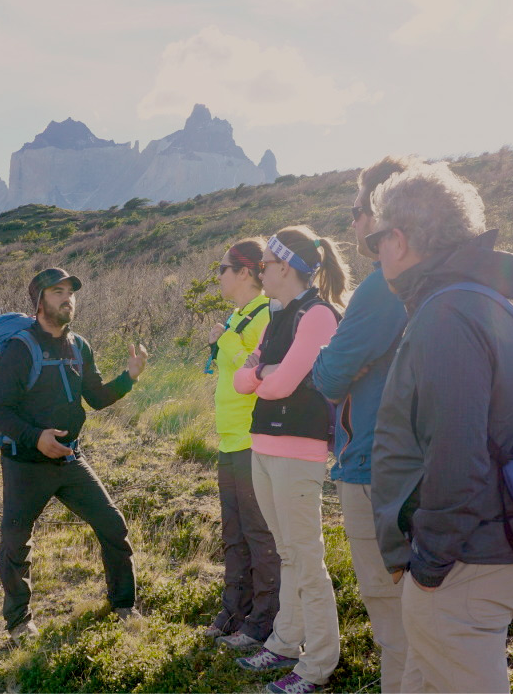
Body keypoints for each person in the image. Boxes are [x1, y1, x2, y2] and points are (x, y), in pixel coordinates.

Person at [368, 163, 513, 693]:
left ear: (399, 240)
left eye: (378, 239)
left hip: (463, 562)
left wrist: (428, 564)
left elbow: (457, 455)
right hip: (482, 546)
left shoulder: (446, 314)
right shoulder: (474, 301)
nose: (377, 253)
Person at [0, 267, 149, 643]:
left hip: (70, 461)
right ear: (39, 299)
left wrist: (130, 377)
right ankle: (19, 622)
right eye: (57, 291)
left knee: (112, 524)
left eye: (71, 292)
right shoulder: (18, 347)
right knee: (16, 542)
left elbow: (94, 398)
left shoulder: (80, 345)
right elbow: (0, 410)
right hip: (25, 463)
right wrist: (35, 437)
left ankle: (123, 604)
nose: (67, 298)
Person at [310, 157, 417, 693]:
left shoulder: (380, 288)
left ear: (378, 215)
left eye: (356, 211)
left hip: (373, 467)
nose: (352, 224)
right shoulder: (431, 280)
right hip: (412, 466)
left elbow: (327, 376)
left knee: (390, 615)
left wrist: (335, 352)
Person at [233, 226, 350, 694]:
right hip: (264, 444)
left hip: (298, 450)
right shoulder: (277, 315)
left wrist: (263, 373)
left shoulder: (318, 315)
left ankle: (318, 663)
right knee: (287, 553)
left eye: (266, 264)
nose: (261, 271)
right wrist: (266, 372)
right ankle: (285, 641)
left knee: (306, 556)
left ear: (285, 266)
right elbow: (248, 381)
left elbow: (278, 384)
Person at [202, 239, 279, 650]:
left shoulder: (266, 314)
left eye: (222, 268)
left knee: (258, 532)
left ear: (245, 272)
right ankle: (234, 610)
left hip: (253, 439)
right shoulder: (237, 315)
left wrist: (225, 340)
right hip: (229, 440)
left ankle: (264, 621)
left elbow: (256, 368)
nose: (218, 276)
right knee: (233, 532)